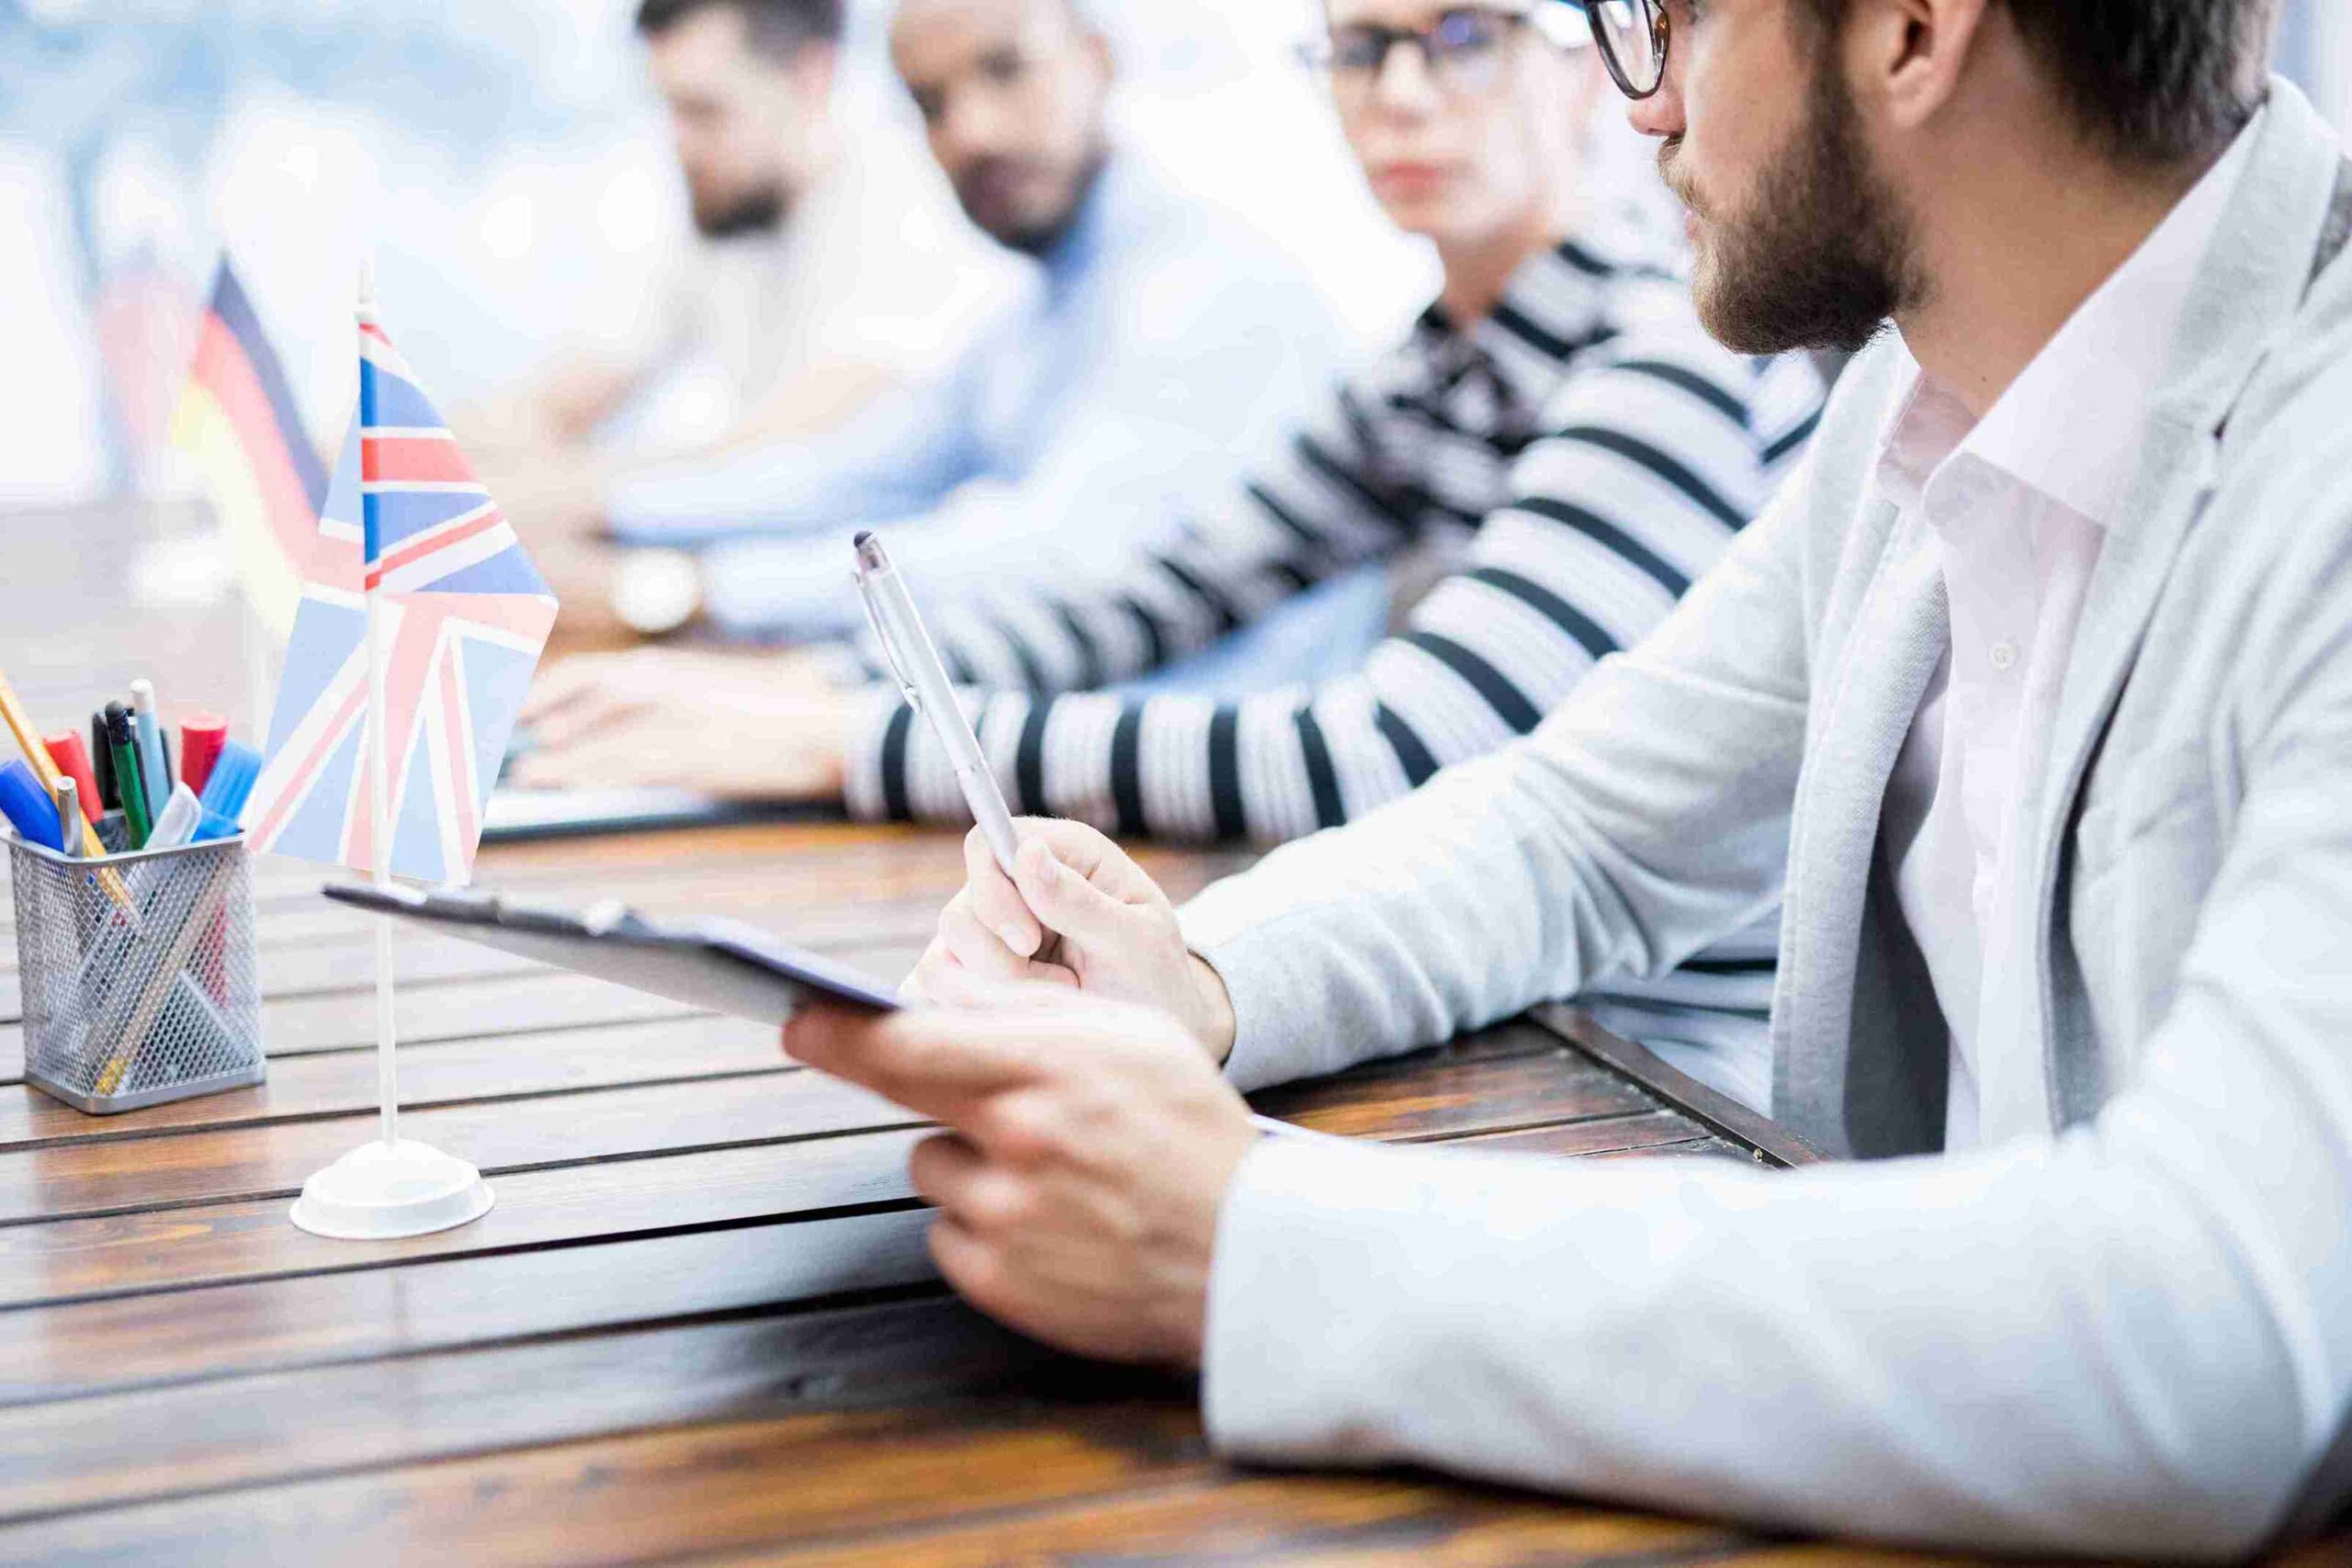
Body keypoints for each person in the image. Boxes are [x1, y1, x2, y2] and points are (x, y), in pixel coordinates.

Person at [783, 0, 2352, 1556]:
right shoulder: (1914, 402)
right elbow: (1577, 826)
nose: (1641, 108)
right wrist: (1193, 980)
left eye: (1670, 20)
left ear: (1911, 33)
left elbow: (2213, 1323)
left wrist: (1252, 1247)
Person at [520, 0, 1825, 1093]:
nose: (1407, 93)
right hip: (1499, 1007)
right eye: (1364, 49)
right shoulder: (1435, 369)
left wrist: (842, 741)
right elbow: (1144, 599)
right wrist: (819, 689)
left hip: (1651, 1068)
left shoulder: (1661, 350)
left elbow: (1385, 749)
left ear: (1586, 62)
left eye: (1466, 33)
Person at [587, 0, 1358, 671]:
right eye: (931, 103)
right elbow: (852, 475)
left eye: (1005, 70)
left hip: (1201, 802)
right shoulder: (1031, 319)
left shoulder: (1207, 288)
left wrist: (680, 593)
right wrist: (602, 513)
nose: (972, 131)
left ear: (1098, 59)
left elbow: (1047, 556)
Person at [464, 0, 1010, 499]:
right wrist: (409, 455)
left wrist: (554, 490)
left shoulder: (905, 203)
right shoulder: (729, 213)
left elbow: (791, 445)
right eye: (670, 110)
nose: (680, 143)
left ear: (809, 77)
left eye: (704, 111)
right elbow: (568, 395)